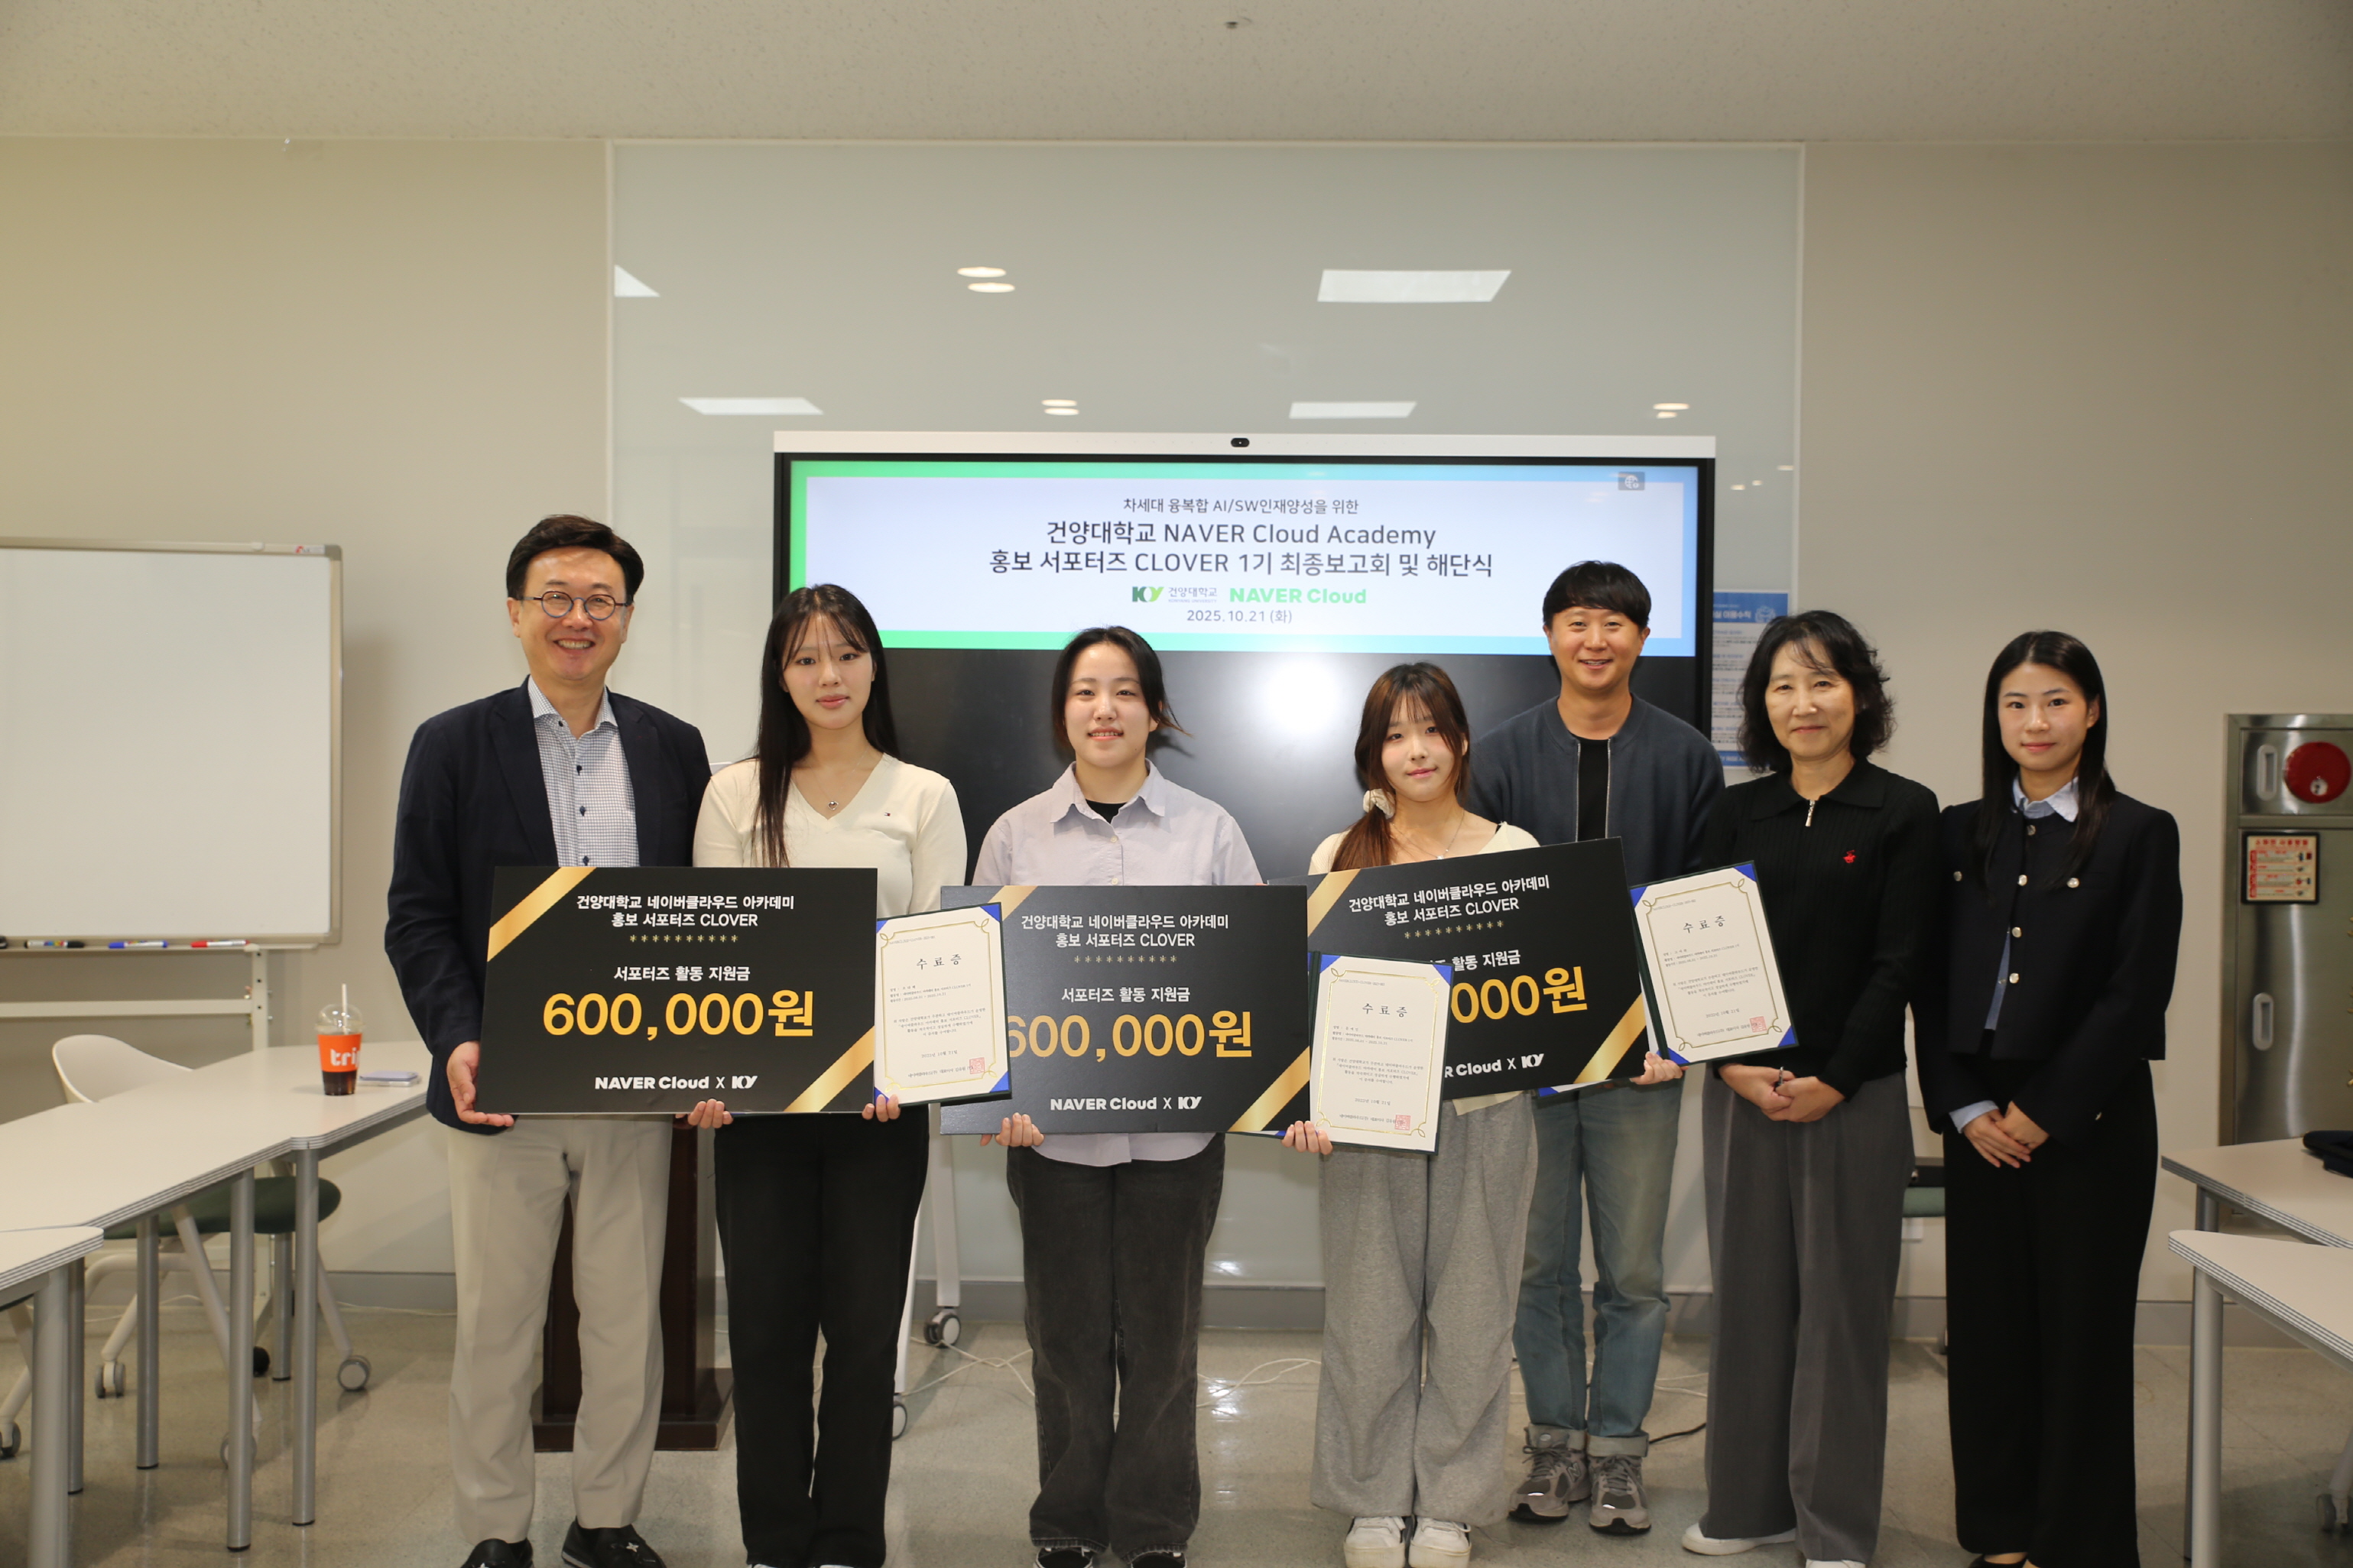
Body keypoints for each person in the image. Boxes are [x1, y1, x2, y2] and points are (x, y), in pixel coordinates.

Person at [387, 515, 710, 1568]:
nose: (579, 617)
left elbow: (706, 919)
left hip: (633, 1084)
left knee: (625, 1323)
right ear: (516, 612)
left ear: (627, 617)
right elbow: (417, 915)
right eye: (557, 597)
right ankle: (496, 1527)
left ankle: (605, 1517)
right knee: (495, 1325)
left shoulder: (672, 746)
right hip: (502, 1087)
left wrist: (709, 1055)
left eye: (600, 599)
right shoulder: (451, 743)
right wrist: (457, 1036)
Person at [680, 585, 966, 1568]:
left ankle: (847, 1540)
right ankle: (774, 1540)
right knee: (764, 1335)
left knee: (863, 1336)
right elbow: (717, 951)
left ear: (875, 664)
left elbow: (940, 951)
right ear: (781, 675)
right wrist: (713, 1070)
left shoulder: (924, 793)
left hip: (880, 1111)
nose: (828, 675)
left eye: (846, 653)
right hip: (759, 1112)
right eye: (805, 658)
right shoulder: (734, 792)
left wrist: (907, 1065)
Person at [972, 626, 1261, 1568]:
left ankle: (1151, 1525)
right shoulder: (1014, 834)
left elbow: (1254, 978)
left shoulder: (1211, 830)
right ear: (1062, 711)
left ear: (1155, 710)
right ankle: (1068, 1518)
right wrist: (994, 1093)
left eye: (1126, 690)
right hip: (1049, 1137)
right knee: (1064, 1340)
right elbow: (976, 985)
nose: (1105, 708)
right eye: (1086, 690)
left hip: (1176, 1140)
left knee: (1163, 1344)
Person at [1679, 612, 1941, 1568]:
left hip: (1853, 1095)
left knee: (1841, 1313)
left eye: (1823, 681)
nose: (1804, 703)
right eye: (1784, 685)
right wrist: (1727, 1061)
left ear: (1860, 695)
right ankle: (1749, 1506)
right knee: (1749, 1305)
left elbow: (1901, 960)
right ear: (1762, 704)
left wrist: (1837, 1074)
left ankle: (1832, 1525)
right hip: (1744, 1091)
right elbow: (1695, 945)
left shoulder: (1903, 809)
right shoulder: (1736, 812)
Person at [1465, 560, 1719, 1537]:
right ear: (1550, 636)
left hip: (1642, 1061)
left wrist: (1679, 1032)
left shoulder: (1686, 756)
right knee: (1533, 1265)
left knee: (1633, 1271)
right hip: (1527, 1060)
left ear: (1642, 640)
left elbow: (1704, 904)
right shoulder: (1500, 754)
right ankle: (1553, 1443)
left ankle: (1618, 1450)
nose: (1595, 639)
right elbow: (1480, 906)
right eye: (1577, 621)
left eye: (1615, 623)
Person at [1915, 632, 2180, 1568]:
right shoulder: (1958, 831)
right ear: (1995, 716)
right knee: (1988, 1335)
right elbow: (1928, 980)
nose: (2036, 721)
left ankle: (2077, 1543)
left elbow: (2136, 991)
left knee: (2082, 1339)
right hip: (1979, 1118)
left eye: (2057, 700)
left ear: (2092, 711)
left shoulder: (2140, 831)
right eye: (2016, 703)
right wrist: (1963, 1107)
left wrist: (2047, 1108)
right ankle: (1998, 1531)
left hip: (2089, 1120)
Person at [1277, 664, 1540, 1568]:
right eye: (1395, 734)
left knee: (1474, 1314)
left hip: (1488, 1112)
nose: (1415, 749)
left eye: (1431, 729)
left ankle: (1453, 1503)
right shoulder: (1339, 855)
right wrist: (1305, 1100)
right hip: (1367, 1119)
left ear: (1460, 741)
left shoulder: (1514, 850)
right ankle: (1372, 1498)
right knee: (1367, 1312)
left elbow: (1551, 990)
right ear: (1373, 753)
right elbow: (1306, 999)